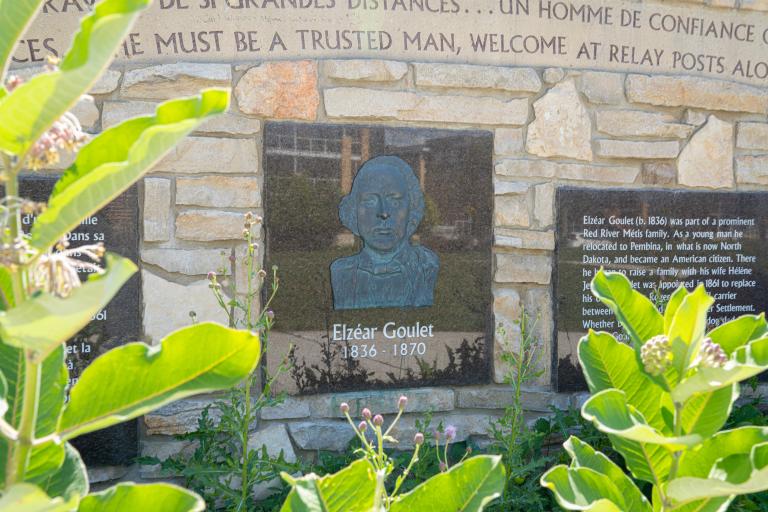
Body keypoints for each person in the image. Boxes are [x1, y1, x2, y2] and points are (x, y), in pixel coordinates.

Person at [331, 156, 439, 310]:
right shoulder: (341, 272)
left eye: (395, 201)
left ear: (412, 209)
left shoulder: (427, 266)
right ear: (354, 210)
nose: (383, 213)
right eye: (370, 201)